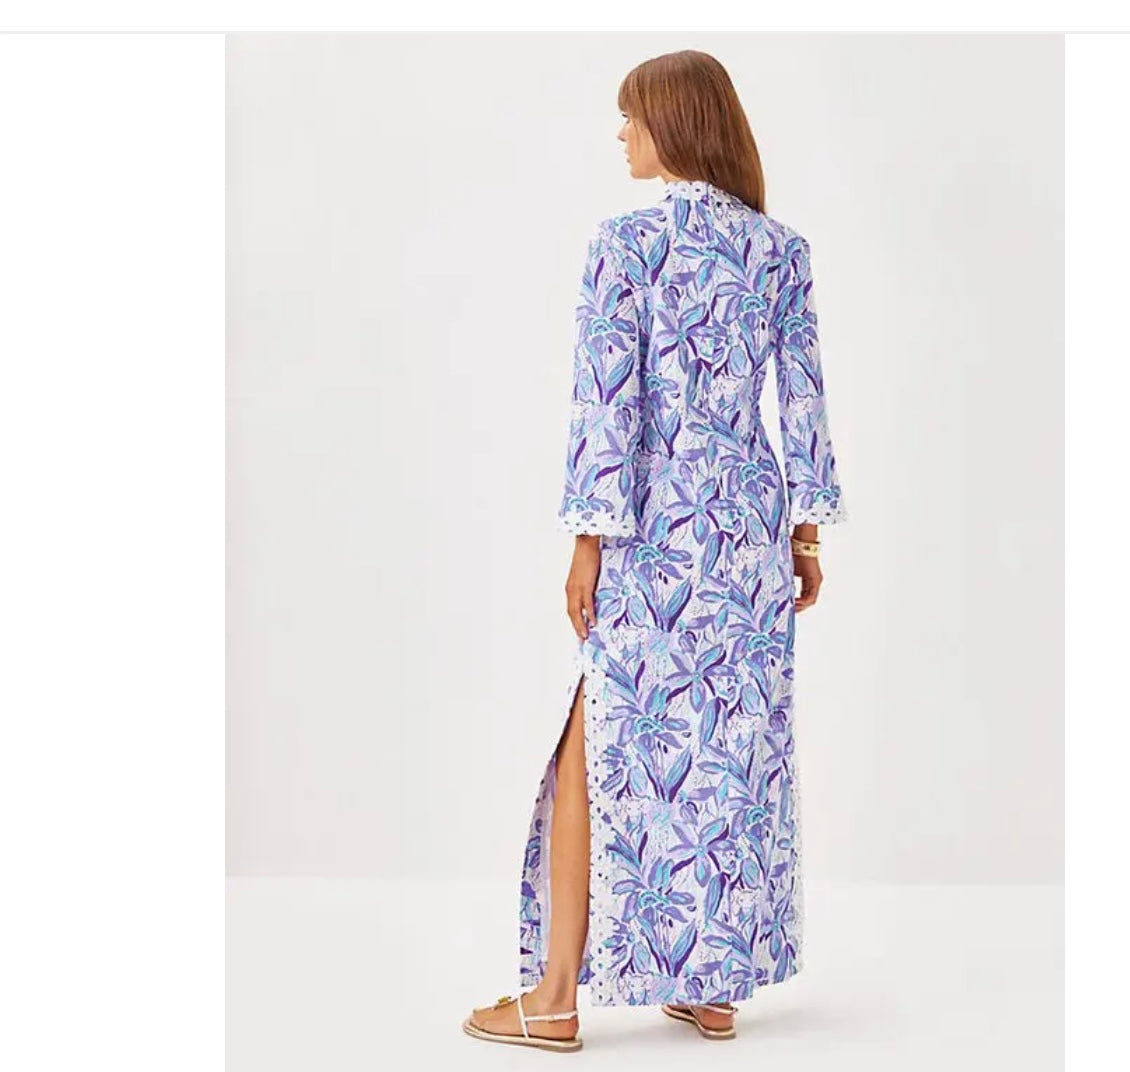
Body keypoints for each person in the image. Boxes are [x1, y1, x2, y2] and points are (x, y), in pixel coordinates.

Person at [462, 49, 848, 1053]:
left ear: (673, 123)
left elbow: (606, 405)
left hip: (652, 535)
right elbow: (801, 402)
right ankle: (710, 989)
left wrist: (585, 543)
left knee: (593, 749)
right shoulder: (780, 251)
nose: (621, 134)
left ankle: (553, 999)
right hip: (748, 536)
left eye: (631, 117)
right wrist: (803, 532)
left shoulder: (626, 243)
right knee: (726, 756)